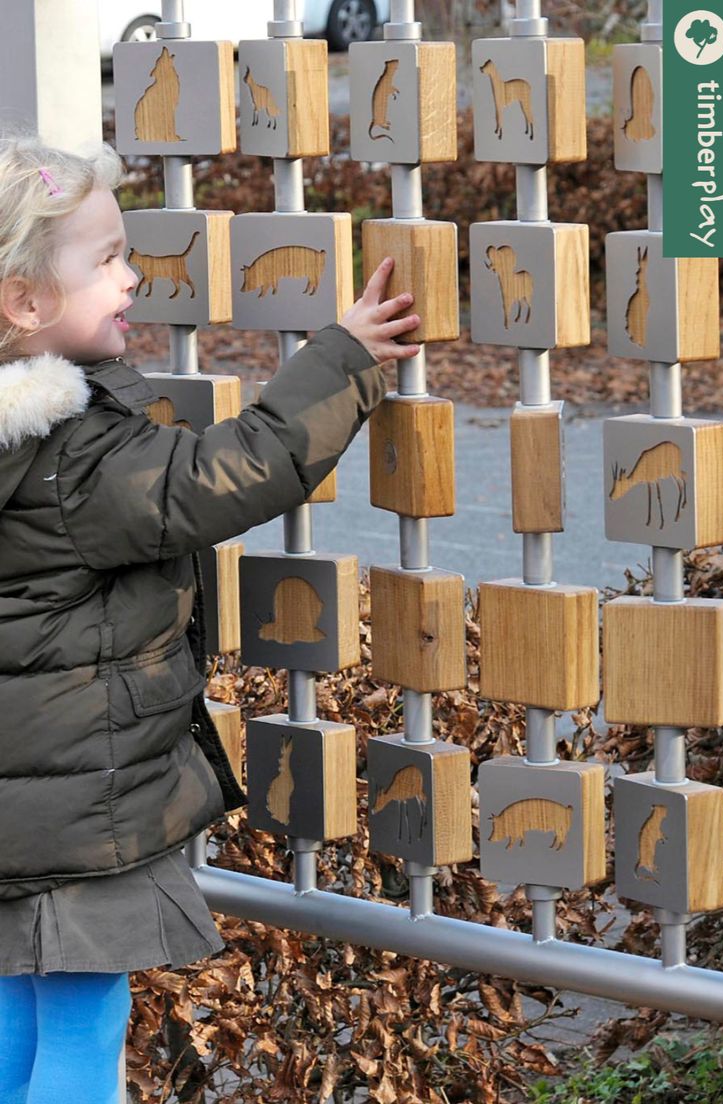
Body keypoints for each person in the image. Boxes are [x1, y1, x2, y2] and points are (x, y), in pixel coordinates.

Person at [0, 134, 420, 1104]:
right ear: (25, 304)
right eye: (105, 261)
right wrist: (343, 358)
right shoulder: (77, 464)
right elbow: (230, 474)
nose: (133, 276)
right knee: (81, 1023)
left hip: (23, 809)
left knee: (18, 1013)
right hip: (78, 814)